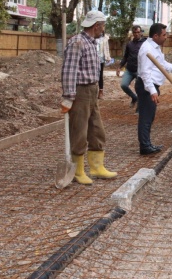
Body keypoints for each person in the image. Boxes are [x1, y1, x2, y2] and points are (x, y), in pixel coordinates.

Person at [60, 11, 118, 184]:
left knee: (96, 129)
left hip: (91, 90)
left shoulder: (91, 43)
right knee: (79, 130)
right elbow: (69, 71)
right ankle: (77, 171)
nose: (103, 29)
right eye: (103, 25)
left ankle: (96, 167)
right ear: (96, 25)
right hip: (81, 91)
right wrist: (68, 97)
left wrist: (99, 88)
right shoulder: (77, 42)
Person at [136, 23, 172, 155]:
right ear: (155, 36)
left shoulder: (155, 47)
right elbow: (145, 73)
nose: (166, 37)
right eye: (164, 35)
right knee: (146, 117)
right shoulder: (147, 49)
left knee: (149, 117)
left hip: (151, 86)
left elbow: (161, 64)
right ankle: (145, 146)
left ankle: (147, 143)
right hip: (146, 87)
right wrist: (152, 91)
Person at [117, 26, 145, 109]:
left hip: (139, 71)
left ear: (141, 32)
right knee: (124, 85)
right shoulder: (130, 44)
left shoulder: (144, 44)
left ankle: (139, 108)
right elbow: (125, 57)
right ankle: (134, 97)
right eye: (135, 32)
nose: (136, 34)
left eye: (138, 32)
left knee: (138, 88)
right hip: (129, 69)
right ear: (133, 33)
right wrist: (119, 67)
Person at [96, 32, 111, 99]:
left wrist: (108, 57)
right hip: (93, 59)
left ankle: (101, 92)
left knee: (100, 75)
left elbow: (107, 48)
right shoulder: (93, 36)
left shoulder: (105, 38)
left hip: (101, 59)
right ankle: (93, 92)